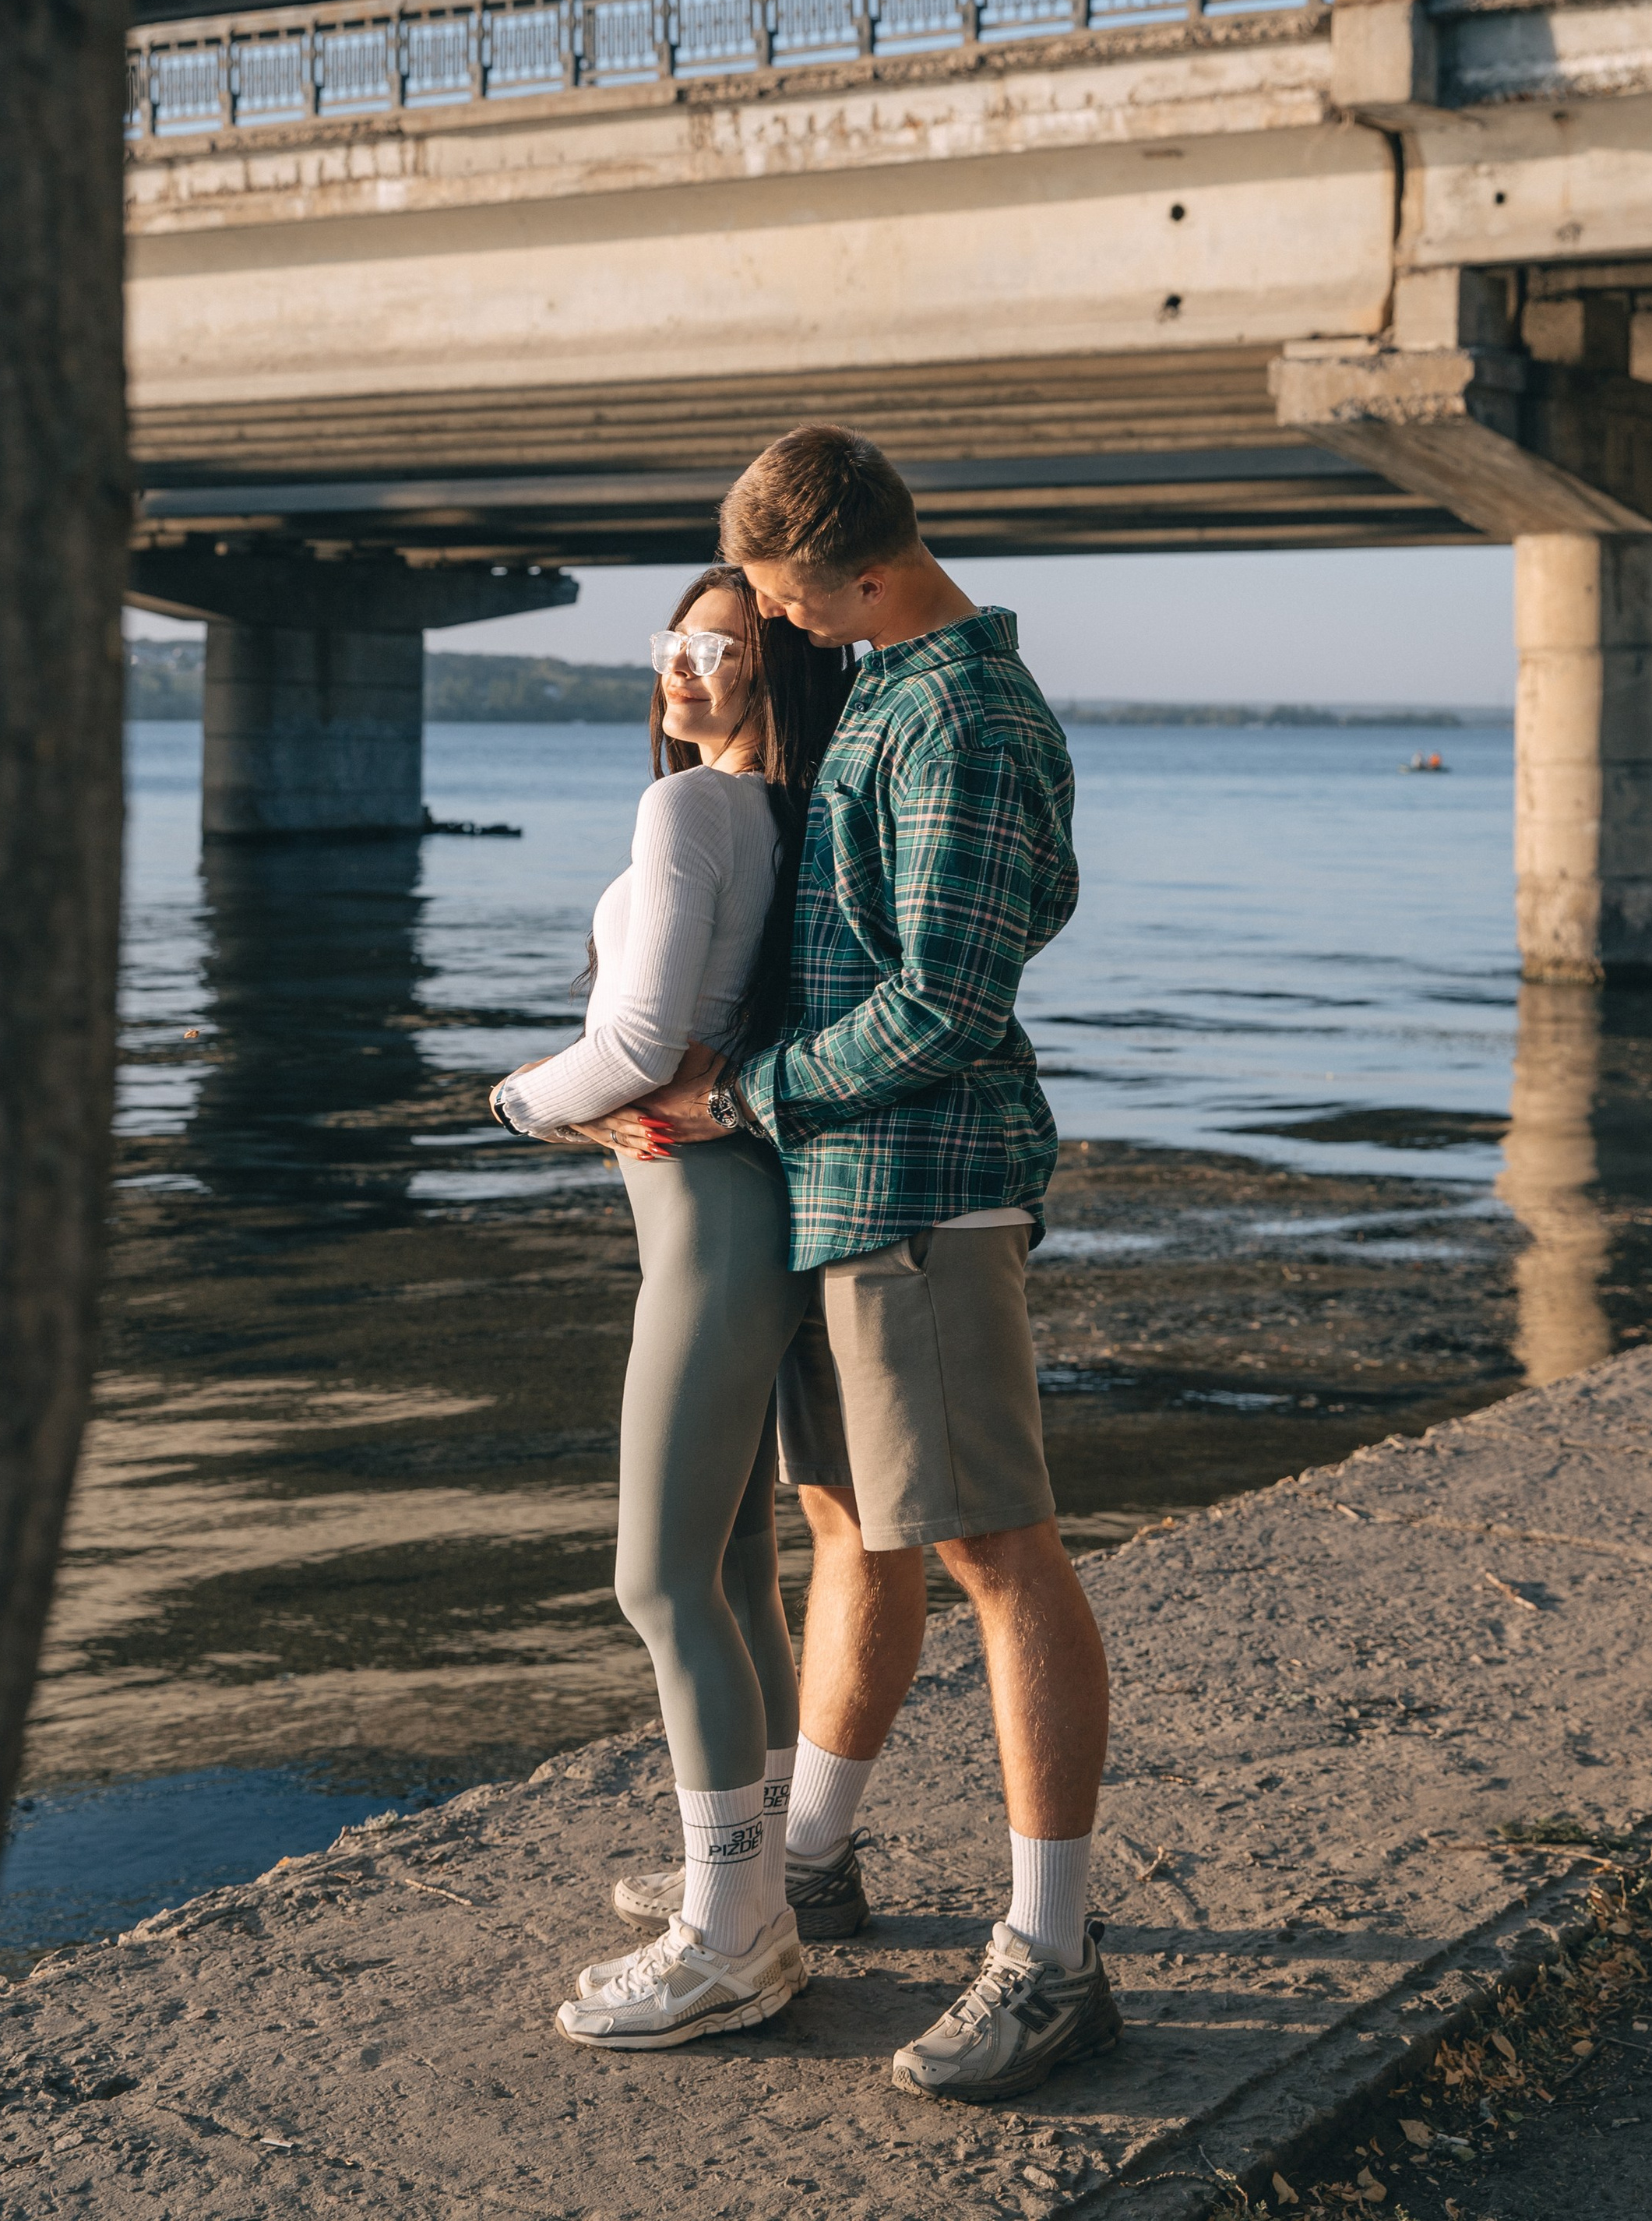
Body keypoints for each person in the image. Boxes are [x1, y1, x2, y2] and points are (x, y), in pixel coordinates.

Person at [597, 424, 1119, 2104]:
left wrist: (740, 1088)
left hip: (922, 1194)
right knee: (851, 1532)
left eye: (785, 602)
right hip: (849, 1190)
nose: (780, 631)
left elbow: (948, 1008)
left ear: (866, 575)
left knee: (998, 1558)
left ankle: (1054, 1961)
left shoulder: (958, 715)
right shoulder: (898, 688)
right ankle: (812, 1853)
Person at [488, 566, 851, 2050]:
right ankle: (747, 1877)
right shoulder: (778, 815)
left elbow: (640, 1037)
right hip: (737, 1204)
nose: (685, 670)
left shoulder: (689, 812)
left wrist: (517, 1102)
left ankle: (734, 1935)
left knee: (657, 1579)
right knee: (730, 1568)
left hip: (703, 1223)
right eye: (675, 645)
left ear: (774, 665)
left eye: (723, 647)